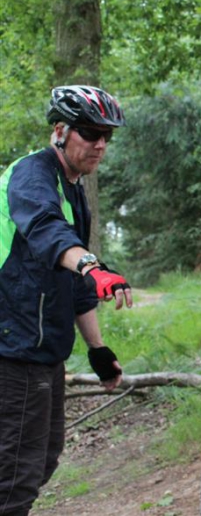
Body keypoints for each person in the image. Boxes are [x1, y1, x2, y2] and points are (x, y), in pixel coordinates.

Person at [0, 86, 133, 515]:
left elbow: (75, 283)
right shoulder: (31, 175)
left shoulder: (73, 187)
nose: (100, 144)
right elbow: (46, 230)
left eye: (107, 136)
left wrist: (98, 350)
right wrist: (93, 266)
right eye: (90, 133)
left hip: (42, 348)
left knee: (43, 459)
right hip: (13, 347)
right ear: (60, 131)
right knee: (15, 476)